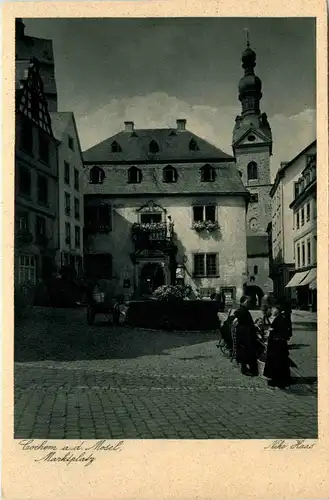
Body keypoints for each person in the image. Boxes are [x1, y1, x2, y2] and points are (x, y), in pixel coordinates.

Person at [263, 303, 292, 389]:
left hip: (278, 344)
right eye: (272, 309)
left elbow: (285, 332)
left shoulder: (282, 319)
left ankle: (278, 380)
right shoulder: (277, 318)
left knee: (278, 362)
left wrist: (273, 331)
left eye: (274, 309)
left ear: (278, 310)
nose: (272, 310)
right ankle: (275, 379)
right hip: (274, 344)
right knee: (274, 361)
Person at [233, 295, 259, 376]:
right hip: (244, 335)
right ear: (242, 302)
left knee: (245, 352)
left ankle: (247, 368)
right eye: (247, 302)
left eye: (249, 302)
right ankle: (246, 369)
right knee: (246, 352)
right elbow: (237, 315)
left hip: (245, 334)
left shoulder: (244, 310)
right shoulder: (242, 310)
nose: (248, 303)